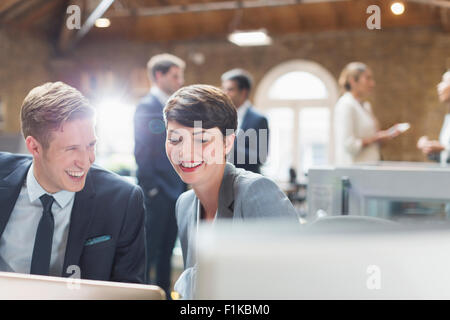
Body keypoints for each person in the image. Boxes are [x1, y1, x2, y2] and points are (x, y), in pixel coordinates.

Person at [0, 82, 145, 283]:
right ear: (34, 147)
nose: (86, 160)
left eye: (91, 145)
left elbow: (131, 292)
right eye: (71, 149)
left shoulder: (122, 201)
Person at [163, 84, 299, 299]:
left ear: (227, 143)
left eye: (201, 139)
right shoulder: (185, 204)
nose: (185, 152)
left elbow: (295, 286)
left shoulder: (256, 192)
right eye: (175, 139)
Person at [133, 53, 186, 297]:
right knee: (149, 250)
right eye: (175, 75)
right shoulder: (147, 107)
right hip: (156, 194)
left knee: (167, 250)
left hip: (176, 191)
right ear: (159, 75)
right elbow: (142, 151)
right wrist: (153, 189)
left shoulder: (176, 108)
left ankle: (164, 293)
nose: (180, 80)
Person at [334, 62, 403, 165]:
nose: (372, 83)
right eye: (367, 78)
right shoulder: (346, 105)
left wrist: (386, 135)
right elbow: (349, 146)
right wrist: (376, 138)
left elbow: (372, 138)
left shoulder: (366, 106)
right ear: (353, 81)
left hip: (371, 167)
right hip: (356, 170)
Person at [221, 68, 269, 174]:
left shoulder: (259, 119)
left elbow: (261, 157)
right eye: (224, 89)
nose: (225, 93)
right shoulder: (222, 117)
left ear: (243, 92)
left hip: (248, 181)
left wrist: (229, 145)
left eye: (230, 89)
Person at [417, 70, 450, 163]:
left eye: (444, 82)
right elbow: (445, 160)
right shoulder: (448, 118)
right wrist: (430, 149)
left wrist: (444, 149)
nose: (439, 86)